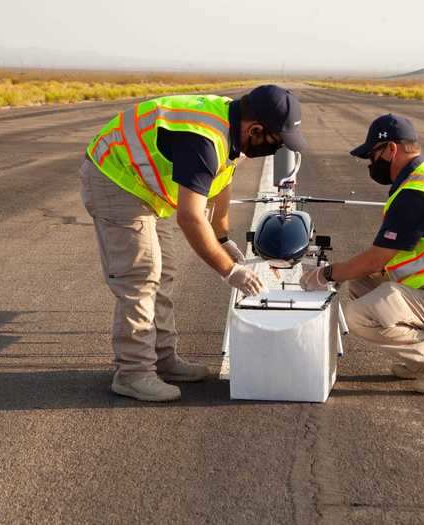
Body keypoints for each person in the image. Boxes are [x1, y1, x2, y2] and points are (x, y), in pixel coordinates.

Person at [80, 85, 306, 402]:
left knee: (165, 271)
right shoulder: (203, 140)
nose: (275, 149)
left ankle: (163, 359)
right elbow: (190, 217)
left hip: (144, 189)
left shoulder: (232, 126)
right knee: (141, 276)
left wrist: (223, 237)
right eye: (275, 142)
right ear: (256, 129)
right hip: (115, 177)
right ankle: (132, 373)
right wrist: (229, 270)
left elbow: (220, 182)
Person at [300, 114, 424, 395]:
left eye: (373, 155)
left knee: (359, 315)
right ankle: (419, 361)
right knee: (362, 286)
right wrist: (348, 274)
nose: (371, 163)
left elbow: (378, 258)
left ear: (391, 149)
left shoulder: (417, 194)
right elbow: (386, 261)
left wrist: (326, 274)